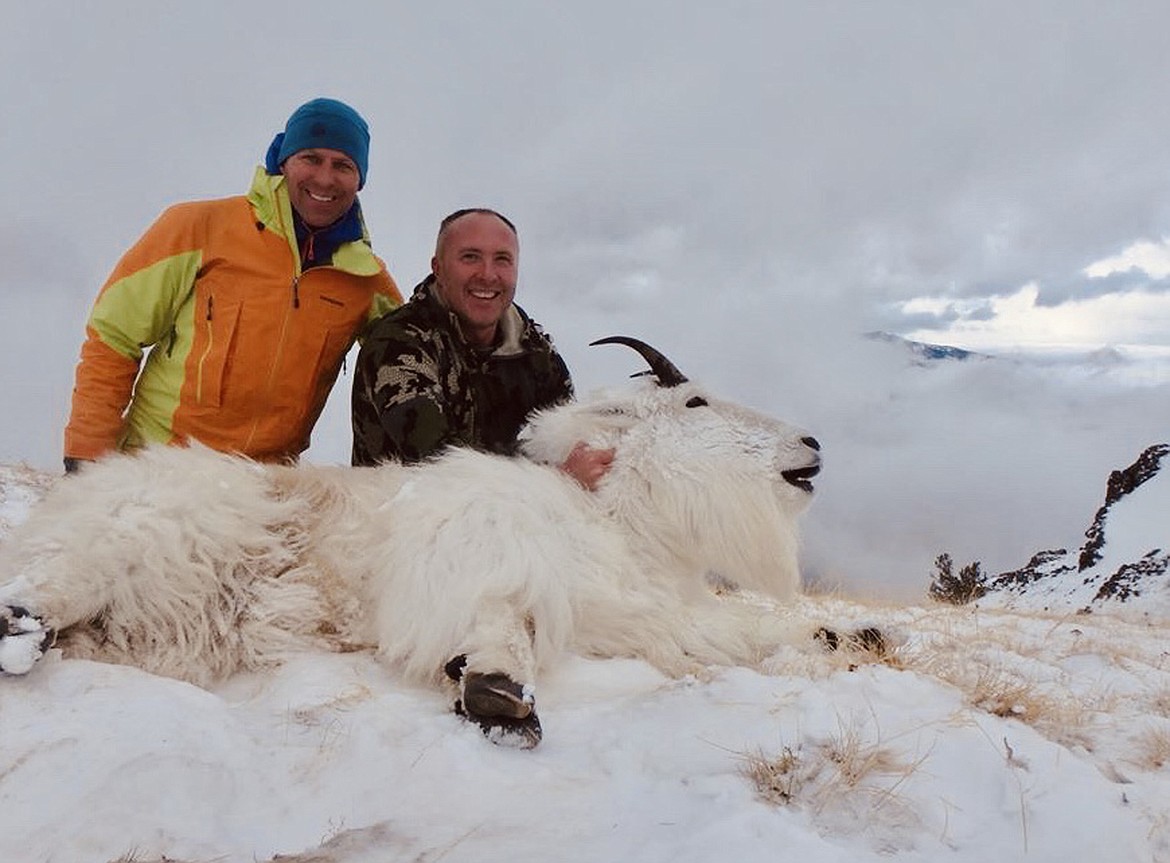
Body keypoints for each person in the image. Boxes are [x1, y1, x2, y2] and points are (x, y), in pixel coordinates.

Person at [62, 98, 402, 473]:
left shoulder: (366, 280)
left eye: (343, 165)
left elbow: (417, 347)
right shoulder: (197, 227)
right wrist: (88, 452)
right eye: (310, 158)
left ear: (360, 179)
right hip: (157, 472)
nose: (324, 178)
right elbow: (113, 336)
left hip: (264, 491)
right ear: (282, 160)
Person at [351, 207, 612, 488]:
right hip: (400, 518)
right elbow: (438, 461)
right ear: (438, 268)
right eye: (470, 257)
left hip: (514, 518)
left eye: (502, 260)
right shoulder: (399, 345)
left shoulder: (536, 354)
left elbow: (566, 439)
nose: (488, 275)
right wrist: (557, 477)